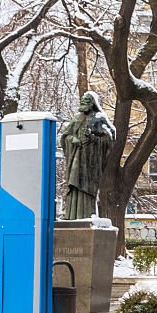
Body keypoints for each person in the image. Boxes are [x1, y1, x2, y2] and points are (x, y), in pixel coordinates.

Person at [61, 92, 116, 220]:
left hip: (91, 160)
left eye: (86, 101)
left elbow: (109, 139)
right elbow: (65, 136)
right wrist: (72, 139)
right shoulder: (76, 118)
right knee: (74, 184)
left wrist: (93, 138)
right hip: (77, 156)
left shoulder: (99, 118)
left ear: (92, 104)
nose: (82, 103)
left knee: (86, 187)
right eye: (82, 100)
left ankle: (85, 215)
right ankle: (72, 215)